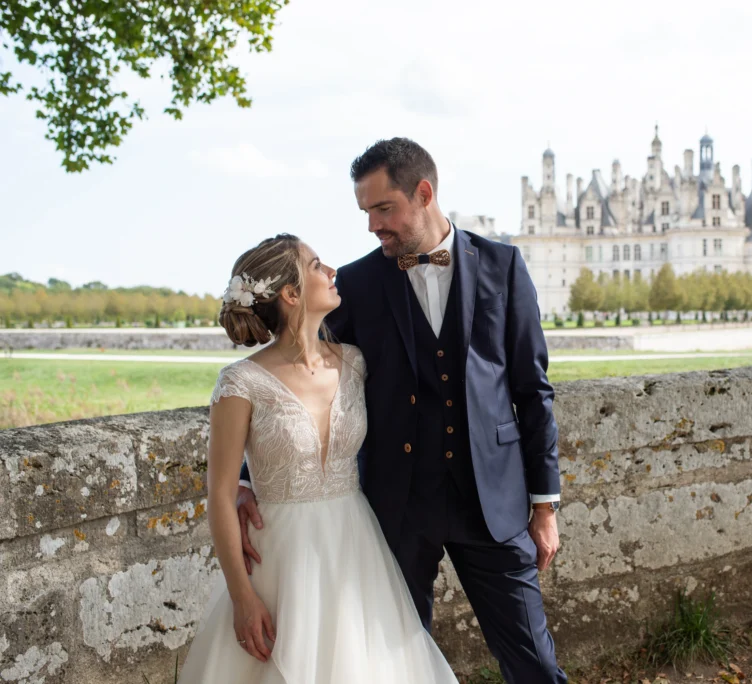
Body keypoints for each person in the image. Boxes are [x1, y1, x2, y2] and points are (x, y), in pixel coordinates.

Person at [237, 138, 568, 683]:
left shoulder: (503, 266)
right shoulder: (358, 284)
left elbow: (533, 390)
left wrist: (545, 505)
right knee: (393, 666)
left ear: (424, 192)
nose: (372, 226)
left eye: (383, 208)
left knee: (534, 663)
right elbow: (297, 374)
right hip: (396, 508)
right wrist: (251, 475)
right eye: (365, 212)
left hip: (494, 503)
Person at [178, 234, 458, 682]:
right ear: (291, 294)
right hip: (279, 557)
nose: (332, 272)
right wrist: (243, 596)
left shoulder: (354, 363)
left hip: (355, 544)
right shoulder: (239, 383)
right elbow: (220, 493)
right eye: (317, 266)